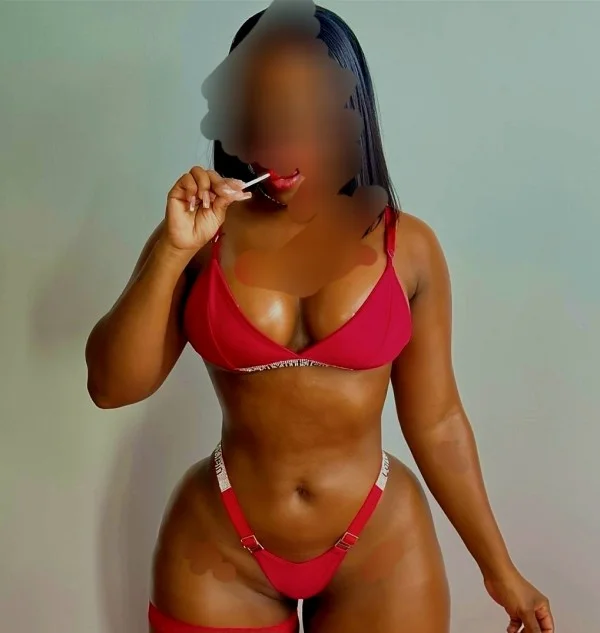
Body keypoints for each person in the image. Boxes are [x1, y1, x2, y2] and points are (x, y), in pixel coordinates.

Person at [86, 5, 555, 633]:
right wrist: (172, 251)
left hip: (381, 547)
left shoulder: (408, 248)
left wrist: (500, 570)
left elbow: (438, 421)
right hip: (219, 548)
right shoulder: (199, 237)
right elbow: (111, 387)